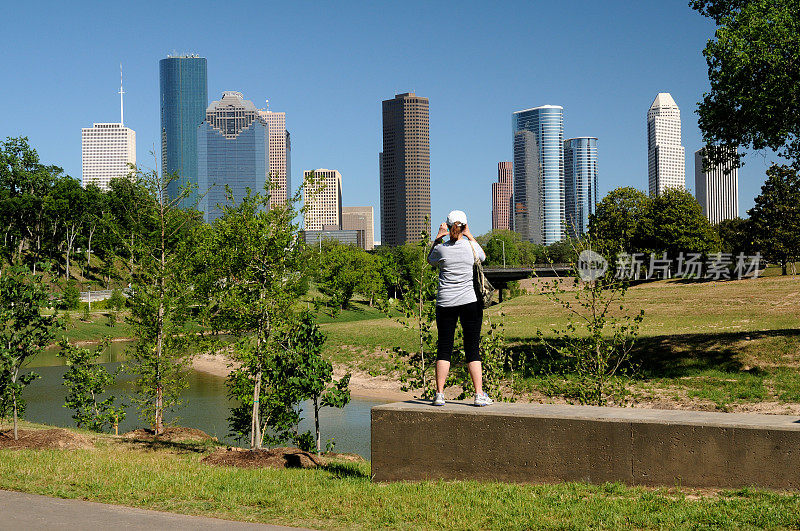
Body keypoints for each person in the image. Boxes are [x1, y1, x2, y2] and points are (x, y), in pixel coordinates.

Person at [427, 210, 493, 407]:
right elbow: (483, 256)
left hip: (445, 303)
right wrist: (469, 234)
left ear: (447, 228)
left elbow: (430, 259)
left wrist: (438, 237)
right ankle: (479, 395)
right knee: (472, 348)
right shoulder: (472, 248)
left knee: (444, 347)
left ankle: (439, 394)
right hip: (470, 303)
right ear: (464, 227)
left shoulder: (441, 249)